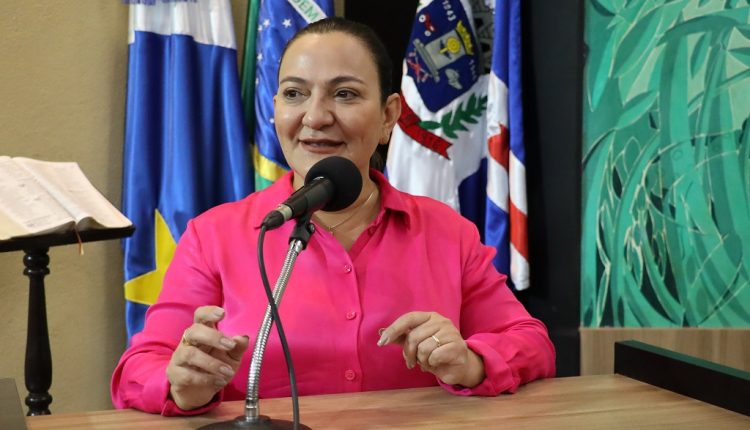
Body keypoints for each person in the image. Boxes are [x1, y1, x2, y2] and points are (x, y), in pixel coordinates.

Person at [111, 17, 555, 416]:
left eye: (345, 94)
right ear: (274, 109)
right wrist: (182, 385)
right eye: (294, 94)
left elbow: (531, 343)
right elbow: (138, 369)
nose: (316, 116)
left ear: (388, 116)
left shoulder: (447, 232)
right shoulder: (214, 235)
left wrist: (471, 362)